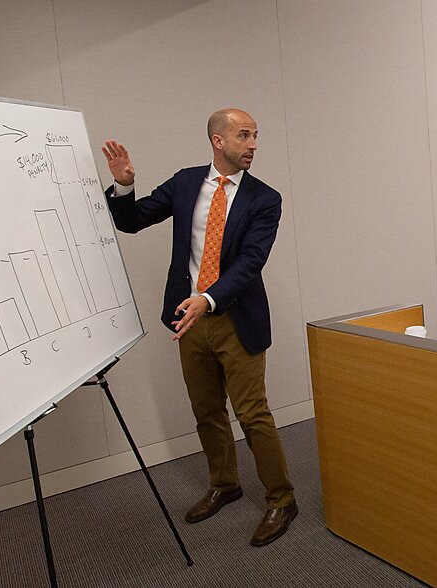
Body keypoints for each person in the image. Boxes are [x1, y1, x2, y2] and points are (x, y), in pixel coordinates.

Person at [100, 108, 297, 546]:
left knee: (252, 413)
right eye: (244, 135)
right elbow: (131, 221)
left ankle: (282, 498)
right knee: (206, 411)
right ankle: (225, 484)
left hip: (234, 319)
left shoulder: (265, 199)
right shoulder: (187, 182)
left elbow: (250, 262)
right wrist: (124, 184)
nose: (253, 144)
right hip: (188, 322)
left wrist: (207, 298)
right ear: (218, 140)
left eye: (255, 136)